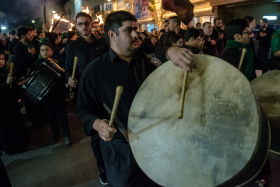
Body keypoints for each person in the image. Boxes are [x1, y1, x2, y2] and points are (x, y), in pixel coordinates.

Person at [76, 10, 193, 187]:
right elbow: (83, 108)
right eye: (128, 30)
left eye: (136, 29)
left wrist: (171, 51)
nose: (135, 34)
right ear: (112, 34)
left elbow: (160, 51)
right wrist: (98, 124)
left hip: (159, 141)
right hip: (122, 150)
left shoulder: (147, 58)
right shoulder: (94, 71)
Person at [65, 11, 109, 185]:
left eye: (86, 23)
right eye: (80, 24)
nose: (84, 26)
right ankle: (102, 168)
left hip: (105, 92)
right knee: (95, 133)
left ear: (92, 24)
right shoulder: (72, 47)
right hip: (86, 95)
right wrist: (69, 78)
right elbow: (68, 69)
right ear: (76, 26)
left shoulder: (103, 44)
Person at [28, 39, 71, 145]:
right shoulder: (36, 64)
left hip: (58, 94)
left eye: (47, 50)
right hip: (45, 96)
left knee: (61, 114)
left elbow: (63, 78)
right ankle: (55, 134)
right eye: (42, 50)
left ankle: (66, 135)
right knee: (51, 115)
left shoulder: (58, 63)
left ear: (52, 51)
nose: (45, 52)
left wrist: (65, 86)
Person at [0, 50, 29, 155]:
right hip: (2, 106)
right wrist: (5, 83)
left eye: (2, 59)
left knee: (16, 122)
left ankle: (20, 145)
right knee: (6, 127)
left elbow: (14, 85)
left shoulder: (7, 70)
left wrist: (21, 83)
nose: (1, 61)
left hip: (11, 102)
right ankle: (10, 148)